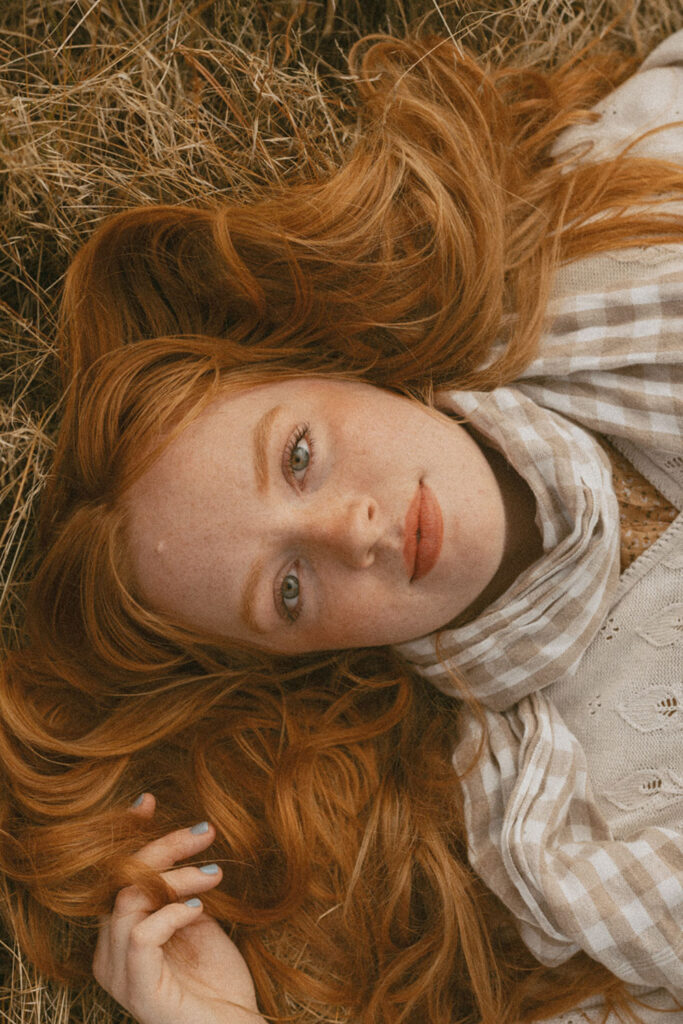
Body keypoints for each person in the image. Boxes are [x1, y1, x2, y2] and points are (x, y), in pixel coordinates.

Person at [0, 27, 682, 1024]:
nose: (348, 530)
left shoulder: (613, 217)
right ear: (306, 657)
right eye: (287, 590)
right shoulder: (551, 844)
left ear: (323, 362)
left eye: (298, 455)